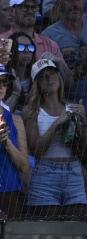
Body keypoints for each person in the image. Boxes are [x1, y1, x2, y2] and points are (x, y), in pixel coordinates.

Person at [23, 58, 87, 220]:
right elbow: (37, 151)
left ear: (59, 77)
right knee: (46, 232)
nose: (49, 78)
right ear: (37, 84)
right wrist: (57, 123)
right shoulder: (32, 112)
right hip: (45, 173)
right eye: (43, 76)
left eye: (52, 73)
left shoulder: (72, 106)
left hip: (73, 170)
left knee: (77, 230)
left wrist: (84, 124)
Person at [42, 0, 87, 120]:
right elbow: (45, 79)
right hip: (61, 110)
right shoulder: (48, 36)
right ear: (60, 3)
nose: (75, 5)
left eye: (79, 0)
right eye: (70, 1)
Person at [1, 0, 73, 86]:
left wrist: (58, 63)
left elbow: (69, 83)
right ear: (13, 10)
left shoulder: (49, 44)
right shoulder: (4, 41)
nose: (30, 11)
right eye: (25, 7)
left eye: (33, 7)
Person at [0, 64, 29, 219]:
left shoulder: (16, 120)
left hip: (9, 194)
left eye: (4, 82)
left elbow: (24, 166)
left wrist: (6, 142)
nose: (2, 86)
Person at [5, 31, 36, 113]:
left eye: (30, 47)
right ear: (11, 50)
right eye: (21, 47)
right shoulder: (2, 77)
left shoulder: (37, 77)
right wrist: (15, 93)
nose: (27, 51)